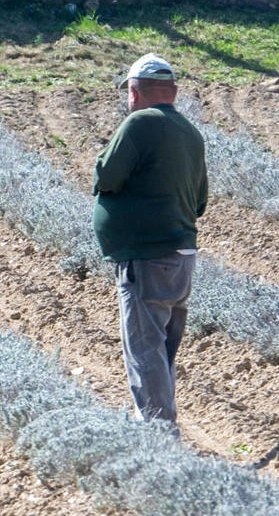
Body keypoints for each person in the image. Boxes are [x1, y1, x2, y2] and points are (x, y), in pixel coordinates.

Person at [92, 53, 208, 433]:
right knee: (161, 348)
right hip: (182, 256)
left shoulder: (138, 123)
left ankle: (159, 432)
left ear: (134, 92)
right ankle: (160, 421)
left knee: (144, 348)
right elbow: (201, 201)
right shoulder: (191, 132)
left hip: (147, 257)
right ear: (172, 92)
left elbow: (107, 176)